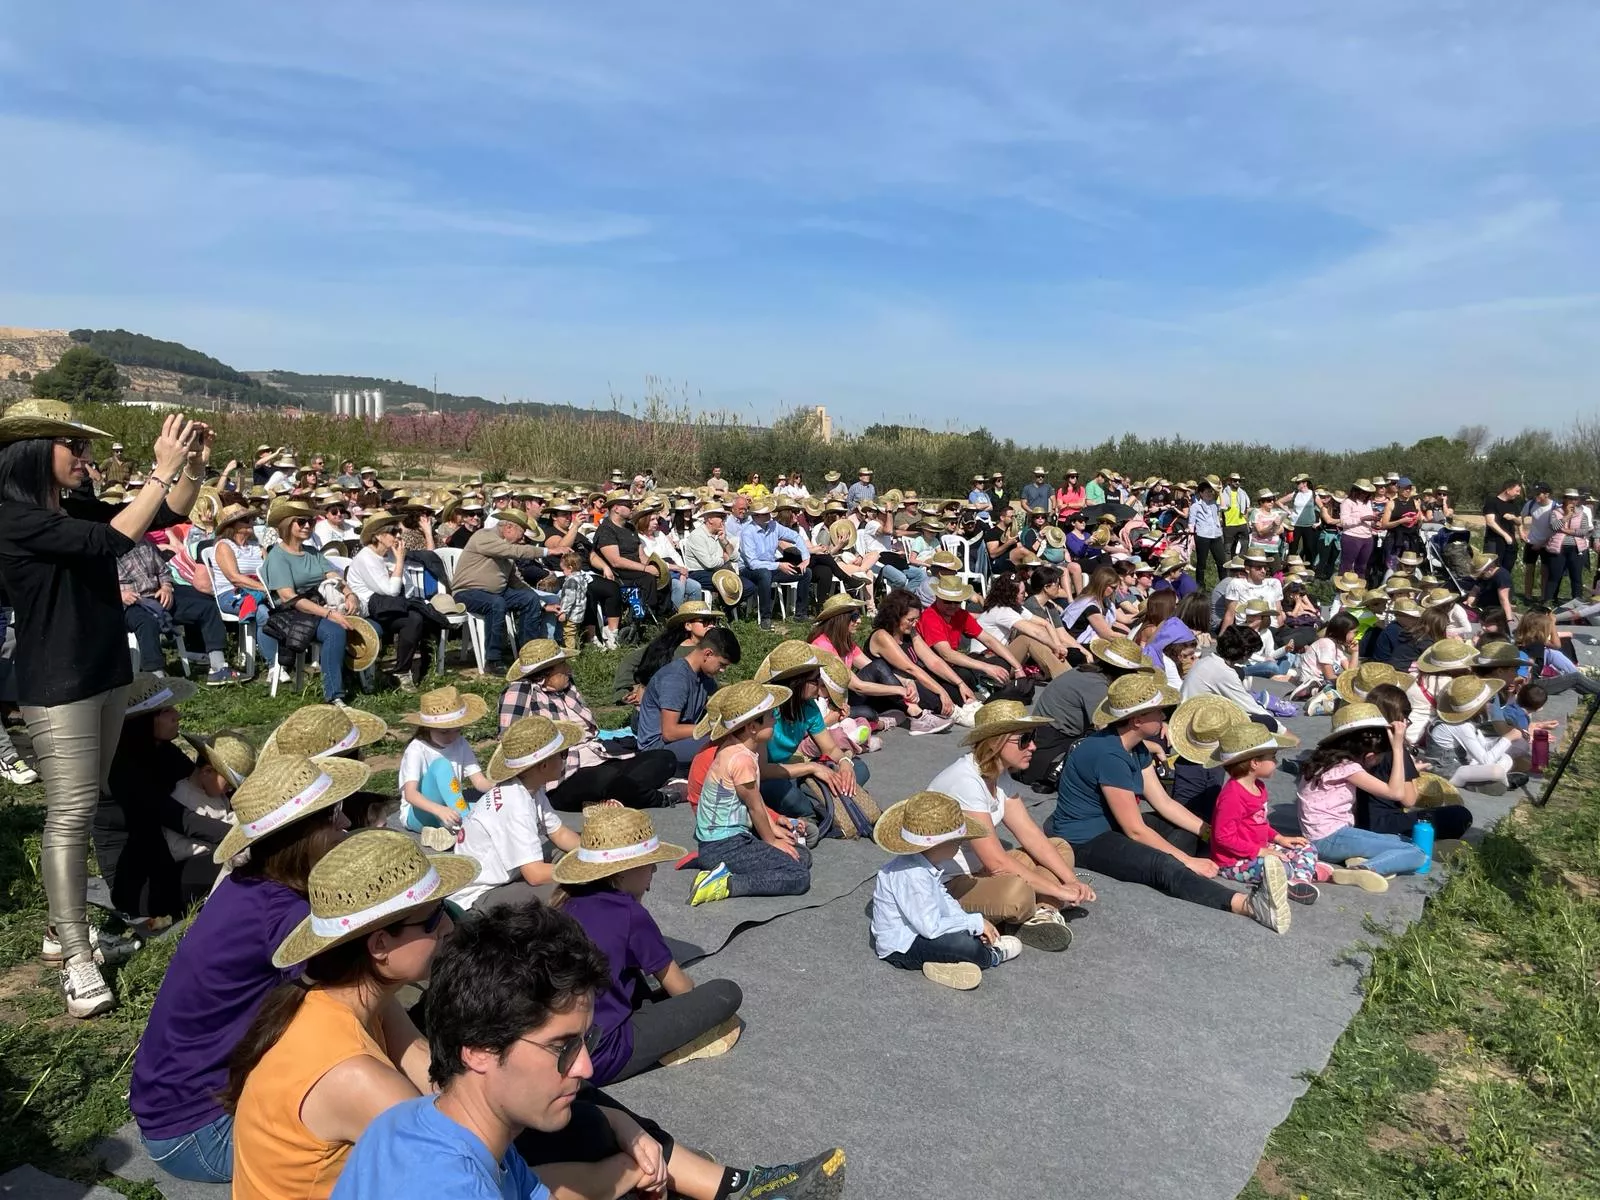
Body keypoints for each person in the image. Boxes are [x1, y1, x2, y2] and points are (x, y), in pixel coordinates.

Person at [332, 902, 847, 1200]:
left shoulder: (436, 1125)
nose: (583, 1065)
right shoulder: (444, 1187)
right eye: (560, 1046)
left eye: (582, 1041)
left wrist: (627, 1170)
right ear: (480, 1050)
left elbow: (537, 1188)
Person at [0, 405, 214, 1017]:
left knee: (87, 801)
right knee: (68, 815)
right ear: (35, 450)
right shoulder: (13, 519)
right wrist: (158, 471)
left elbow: (164, 517)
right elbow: (112, 539)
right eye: (73, 444)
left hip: (105, 676)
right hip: (57, 683)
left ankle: (55, 928)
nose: (85, 456)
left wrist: (189, 470)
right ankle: (75, 958)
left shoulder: (66, 511)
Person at [131, 754, 361, 1182]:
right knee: (380, 1152)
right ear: (306, 836)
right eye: (334, 815)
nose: (346, 822)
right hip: (201, 1130)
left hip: (174, 1110)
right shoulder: (284, 916)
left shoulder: (252, 886)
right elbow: (355, 1001)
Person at [227, 831, 477, 1200]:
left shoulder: (339, 998)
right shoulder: (355, 1077)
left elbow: (426, 1069)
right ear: (379, 945)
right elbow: (459, 1157)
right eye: (433, 917)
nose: (449, 927)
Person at [1046, 673, 1293, 931]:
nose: (1164, 716)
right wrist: (1186, 860)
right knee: (1162, 863)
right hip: (1084, 839)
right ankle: (1248, 905)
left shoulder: (1135, 747)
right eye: (1158, 711)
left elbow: (1164, 802)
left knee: (1185, 827)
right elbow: (1135, 829)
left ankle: (1189, 867)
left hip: (1112, 826)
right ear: (1138, 719)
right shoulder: (1108, 755)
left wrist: (1210, 833)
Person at [550, 806, 744, 1086]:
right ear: (624, 870)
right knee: (725, 992)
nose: (654, 869)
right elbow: (681, 990)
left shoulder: (565, 901)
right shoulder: (630, 914)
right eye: (649, 862)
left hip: (561, 1044)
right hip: (602, 1052)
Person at [927, 699, 1093, 944]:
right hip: (948, 883)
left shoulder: (998, 774)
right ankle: (1042, 908)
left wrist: (1071, 880)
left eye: (1033, 737)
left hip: (978, 871)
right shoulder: (965, 781)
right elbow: (996, 863)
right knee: (1016, 893)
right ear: (997, 742)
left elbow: (1030, 834)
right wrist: (1059, 889)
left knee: (1057, 846)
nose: (1034, 746)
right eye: (1025, 739)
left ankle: (1042, 913)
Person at [101, 675, 230, 921]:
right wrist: (240, 836)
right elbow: (178, 818)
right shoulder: (121, 768)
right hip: (140, 882)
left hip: (167, 856)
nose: (177, 716)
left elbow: (202, 781)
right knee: (238, 865)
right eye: (166, 710)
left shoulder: (162, 751)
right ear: (144, 720)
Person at [502, 638, 684, 811]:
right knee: (608, 779)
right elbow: (511, 742)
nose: (569, 669)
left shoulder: (566, 687)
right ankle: (658, 798)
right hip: (559, 775)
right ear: (547, 671)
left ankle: (616, 796)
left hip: (595, 757)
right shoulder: (520, 693)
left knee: (663, 758)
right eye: (563, 665)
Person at [869, 791, 1025, 990]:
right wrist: (973, 923)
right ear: (940, 845)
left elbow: (943, 898)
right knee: (966, 946)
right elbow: (930, 927)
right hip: (902, 946)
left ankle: (944, 964)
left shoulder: (925, 865)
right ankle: (990, 956)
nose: (961, 845)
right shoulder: (912, 875)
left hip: (920, 932)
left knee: (964, 935)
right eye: (958, 841)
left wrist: (968, 923)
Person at [686, 680, 812, 905]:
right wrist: (772, 841)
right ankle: (725, 884)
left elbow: (756, 802)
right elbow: (754, 806)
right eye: (771, 715)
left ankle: (725, 870)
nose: (775, 719)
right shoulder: (741, 759)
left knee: (801, 856)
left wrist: (775, 829)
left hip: (728, 840)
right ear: (752, 727)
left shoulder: (738, 748)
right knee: (799, 876)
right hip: (723, 845)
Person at [451, 716, 583, 912]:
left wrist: (593, 853)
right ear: (543, 765)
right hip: (479, 896)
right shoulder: (516, 805)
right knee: (568, 891)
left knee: (570, 853)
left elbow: (559, 833)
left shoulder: (530, 787)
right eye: (562, 754)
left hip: (506, 875)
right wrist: (585, 872)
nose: (565, 759)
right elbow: (535, 874)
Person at [1296, 704, 1426, 881]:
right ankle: (1363, 870)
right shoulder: (1348, 768)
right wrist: (1397, 747)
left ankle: (1363, 861)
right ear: (1370, 754)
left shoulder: (1325, 760)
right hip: (1329, 840)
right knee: (1417, 852)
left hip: (1324, 837)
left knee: (1401, 841)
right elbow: (1396, 793)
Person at [750, 641, 874, 826]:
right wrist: (813, 768)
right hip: (763, 776)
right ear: (797, 682)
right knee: (782, 790)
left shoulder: (809, 707)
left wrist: (844, 763)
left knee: (859, 769)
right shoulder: (767, 711)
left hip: (791, 770)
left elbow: (830, 748)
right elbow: (763, 770)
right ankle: (819, 808)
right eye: (815, 679)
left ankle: (818, 808)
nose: (820, 684)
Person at [1206, 724, 1319, 905]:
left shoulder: (1259, 787)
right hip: (1233, 862)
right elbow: (1223, 837)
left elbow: (1260, 823)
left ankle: (1300, 879)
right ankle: (1303, 873)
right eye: (1272, 757)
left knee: (1307, 847)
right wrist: (1260, 851)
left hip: (1258, 848)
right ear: (1254, 763)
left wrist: (1280, 838)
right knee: (1278, 867)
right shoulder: (1232, 796)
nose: (1276, 762)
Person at [261, 499, 357, 700]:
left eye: (311, 522)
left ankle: (361, 679)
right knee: (334, 632)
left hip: (319, 603)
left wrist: (349, 594)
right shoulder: (277, 556)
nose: (307, 526)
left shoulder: (312, 552)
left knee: (371, 625)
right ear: (288, 524)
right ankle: (335, 694)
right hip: (293, 612)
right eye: (301, 521)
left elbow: (333, 576)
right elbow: (288, 596)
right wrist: (330, 614)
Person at [1023, 636, 1148, 791]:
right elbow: (1108, 727)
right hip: (1052, 745)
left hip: (1047, 736)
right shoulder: (1096, 685)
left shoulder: (1088, 673)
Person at [1356, 683, 1475, 843]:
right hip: (1385, 823)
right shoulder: (1394, 750)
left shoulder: (1358, 741)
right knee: (1460, 814)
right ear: (1401, 720)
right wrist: (1411, 773)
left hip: (1359, 819)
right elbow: (1409, 800)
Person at [117, 534, 236, 684]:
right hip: (128, 604)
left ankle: (218, 667)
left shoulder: (145, 544)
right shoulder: (106, 550)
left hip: (157, 596)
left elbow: (163, 571)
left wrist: (166, 587)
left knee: (207, 608)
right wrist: (120, 594)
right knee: (147, 623)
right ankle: (156, 678)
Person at [452, 510, 556, 668]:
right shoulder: (484, 536)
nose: (522, 539)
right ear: (508, 527)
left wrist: (542, 603)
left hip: (496, 593)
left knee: (529, 598)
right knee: (497, 603)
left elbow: (517, 582)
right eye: (521, 534)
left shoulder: (506, 549)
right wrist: (548, 551)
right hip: (468, 592)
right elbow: (515, 552)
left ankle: (529, 652)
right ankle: (493, 659)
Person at [345, 513, 437, 690]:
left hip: (388, 605)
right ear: (378, 536)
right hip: (369, 608)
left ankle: (410, 669)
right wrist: (400, 561)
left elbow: (406, 586)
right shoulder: (367, 557)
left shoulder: (389, 554)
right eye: (393, 532)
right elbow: (391, 590)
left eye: (398, 531)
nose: (398, 536)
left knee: (418, 617)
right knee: (415, 617)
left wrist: (395, 568)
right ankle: (402, 672)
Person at [637, 625, 739, 768]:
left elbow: (722, 699)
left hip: (679, 742)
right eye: (722, 665)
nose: (722, 671)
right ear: (708, 654)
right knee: (728, 746)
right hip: (656, 749)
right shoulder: (675, 678)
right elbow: (669, 732)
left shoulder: (704, 677)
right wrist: (713, 728)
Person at [398, 685, 492, 839]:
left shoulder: (460, 743)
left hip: (450, 812)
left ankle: (444, 833)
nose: (452, 737)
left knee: (491, 810)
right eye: (444, 731)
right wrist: (439, 810)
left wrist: (499, 786)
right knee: (441, 766)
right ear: (428, 728)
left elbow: (479, 781)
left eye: (457, 730)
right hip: (421, 814)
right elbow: (410, 794)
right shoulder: (417, 749)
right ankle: (466, 827)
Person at [865, 588, 972, 715]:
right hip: (890, 694)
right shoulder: (882, 636)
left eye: (917, 619)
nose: (915, 624)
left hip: (912, 685)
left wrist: (960, 684)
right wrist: (941, 691)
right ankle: (956, 714)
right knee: (937, 697)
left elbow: (933, 660)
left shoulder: (911, 632)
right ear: (895, 617)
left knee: (957, 690)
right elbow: (911, 669)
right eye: (911, 620)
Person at [917, 577, 1025, 694]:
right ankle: (985, 690)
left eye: (957, 601)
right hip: (934, 669)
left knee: (1002, 662)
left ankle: (987, 688)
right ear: (937, 597)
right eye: (947, 601)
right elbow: (946, 654)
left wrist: (1018, 667)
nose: (953, 605)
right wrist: (986, 667)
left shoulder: (960, 614)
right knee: (966, 674)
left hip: (953, 663)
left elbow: (989, 640)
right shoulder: (930, 617)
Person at [1429, 676, 1528, 794]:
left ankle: (1496, 780)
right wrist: (1507, 738)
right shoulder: (1461, 726)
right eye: (1490, 700)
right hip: (1447, 771)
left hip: (1462, 763)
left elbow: (1483, 746)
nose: (1490, 704)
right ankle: (1504, 782)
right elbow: (1486, 761)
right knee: (1496, 771)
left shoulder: (1466, 723)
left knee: (1506, 758)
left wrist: (1502, 739)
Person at [1543, 488, 1593, 604]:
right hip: (1558, 548)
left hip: (1576, 548)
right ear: (1564, 499)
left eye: (1575, 499)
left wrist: (1566, 530)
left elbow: (1583, 531)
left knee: (1576, 577)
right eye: (1570, 498)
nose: (1572, 501)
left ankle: (1577, 601)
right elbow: (1554, 527)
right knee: (1554, 576)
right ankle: (1549, 601)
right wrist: (1567, 516)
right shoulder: (1556, 512)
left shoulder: (1583, 514)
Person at [1480, 479, 1524, 571]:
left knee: (1506, 571)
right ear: (1508, 490)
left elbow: (1519, 522)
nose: (1518, 494)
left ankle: (1504, 585)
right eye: (1517, 491)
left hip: (1510, 544)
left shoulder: (1514, 504)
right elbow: (1490, 522)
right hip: (1494, 543)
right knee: (1492, 570)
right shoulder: (1492, 502)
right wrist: (1505, 535)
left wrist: (1513, 518)